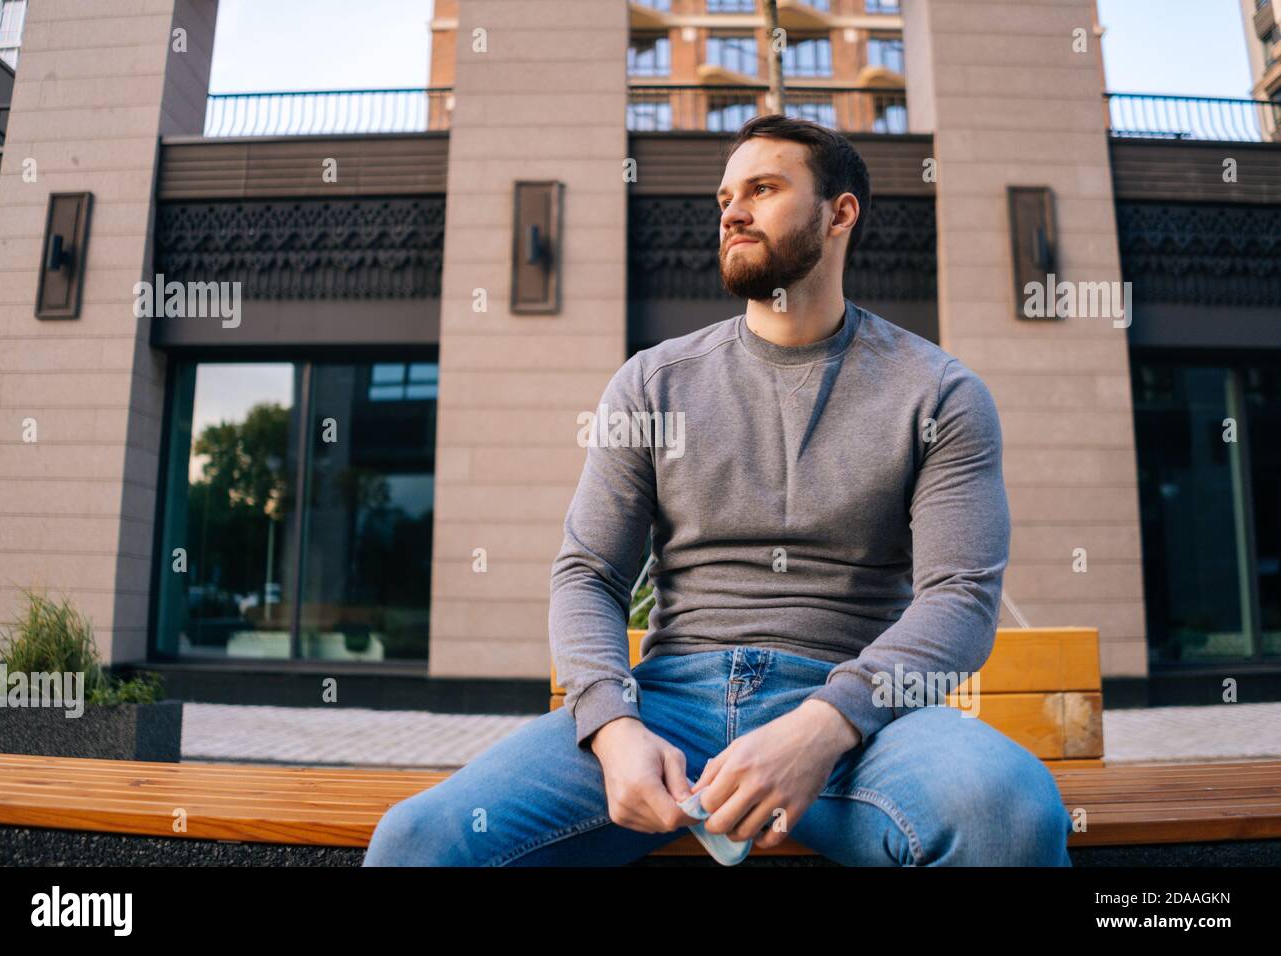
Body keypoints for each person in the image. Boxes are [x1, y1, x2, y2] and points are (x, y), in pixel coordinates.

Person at [363, 113, 1074, 867]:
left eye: (763, 189)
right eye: (725, 197)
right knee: (418, 842)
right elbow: (588, 574)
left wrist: (824, 724)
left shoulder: (939, 392)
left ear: (840, 214)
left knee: (1011, 814)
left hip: (864, 722)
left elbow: (960, 600)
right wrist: (612, 727)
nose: (732, 211)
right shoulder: (651, 382)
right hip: (670, 708)